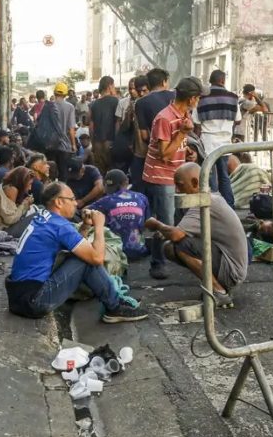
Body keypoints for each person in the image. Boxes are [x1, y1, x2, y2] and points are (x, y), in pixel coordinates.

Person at [4, 182, 148, 323]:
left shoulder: (42, 217)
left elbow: (74, 248)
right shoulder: (59, 226)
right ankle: (114, 307)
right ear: (59, 202)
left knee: (81, 256)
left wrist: (85, 226)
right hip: (34, 301)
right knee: (87, 260)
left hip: (19, 297)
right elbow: (97, 258)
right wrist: (99, 226)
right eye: (72, 199)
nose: (76, 203)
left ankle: (114, 301)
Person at [146, 163, 248, 308]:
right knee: (171, 247)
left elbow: (176, 235)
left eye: (180, 185)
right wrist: (165, 232)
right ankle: (215, 286)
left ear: (195, 183)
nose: (177, 190)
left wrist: (156, 224)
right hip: (232, 266)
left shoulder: (205, 203)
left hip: (232, 270)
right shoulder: (212, 197)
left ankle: (218, 291)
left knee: (179, 245)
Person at [143, 77, 207, 280]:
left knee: (181, 219)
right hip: (162, 176)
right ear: (191, 98)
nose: (198, 101)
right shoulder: (164, 118)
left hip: (177, 173)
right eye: (198, 97)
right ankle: (158, 262)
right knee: (166, 222)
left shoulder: (184, 114)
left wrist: (187, 151)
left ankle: (177, 255)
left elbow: (177, 145)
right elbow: (164, 154)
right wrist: (182, 133)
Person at [195, 70, 242, 207]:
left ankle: (213, 207)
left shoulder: (201, 98)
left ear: (211, 81)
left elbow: (196, 121)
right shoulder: (233, 97)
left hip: (207, 142)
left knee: (210, 176)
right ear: (222, 81)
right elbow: (238, 120)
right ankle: (229, 206)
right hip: (225, 143)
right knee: (224, 176)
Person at [87, 169, 149, 260]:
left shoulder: (106, 200)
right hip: (140, 251)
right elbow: (147, 222)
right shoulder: (142, 197)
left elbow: (85, 211)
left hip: (116, 252)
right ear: (126, 183)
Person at [134, 69, 174, 187]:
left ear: (149, 84)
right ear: (164, 82)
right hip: (180, 155)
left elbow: (144, 135)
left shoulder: (140, 103)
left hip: (156, 159)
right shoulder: (176, 97)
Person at [36, 81, 78, 180]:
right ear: (65, 94)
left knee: (50, 172)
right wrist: (73, 145)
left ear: (55, 93)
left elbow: (39, 123)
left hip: (50, 145)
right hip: (64, 146)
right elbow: (71, 128)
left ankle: (50, 187)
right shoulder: (70, 107)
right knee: (63, 172)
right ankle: (62, 188)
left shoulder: (48, 106)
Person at [0, 166, 35, 232]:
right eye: (29, 184)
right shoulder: (11, 189)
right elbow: (10, 219)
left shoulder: (8, 186)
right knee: (36, 216)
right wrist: (25, 204)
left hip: (1, 227)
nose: (30, 188)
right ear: (22, 182)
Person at [89, 76, 120, 173]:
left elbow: (91, 127)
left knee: (100, 172)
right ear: (110, 86)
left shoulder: (93, 104)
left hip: (97, 143)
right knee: (112, 172)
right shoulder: (116, 101)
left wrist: (93, 143)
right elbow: (117, 123)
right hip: (111, 142)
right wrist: (118, 142)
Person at [125, 75, 151, 186]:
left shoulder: (153, 105)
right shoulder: (134, 105)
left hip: (151, 153)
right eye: (138, 91)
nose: (141, 94)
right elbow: (128, 127)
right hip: (138, 153)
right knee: (138, 184)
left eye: (144, 91)